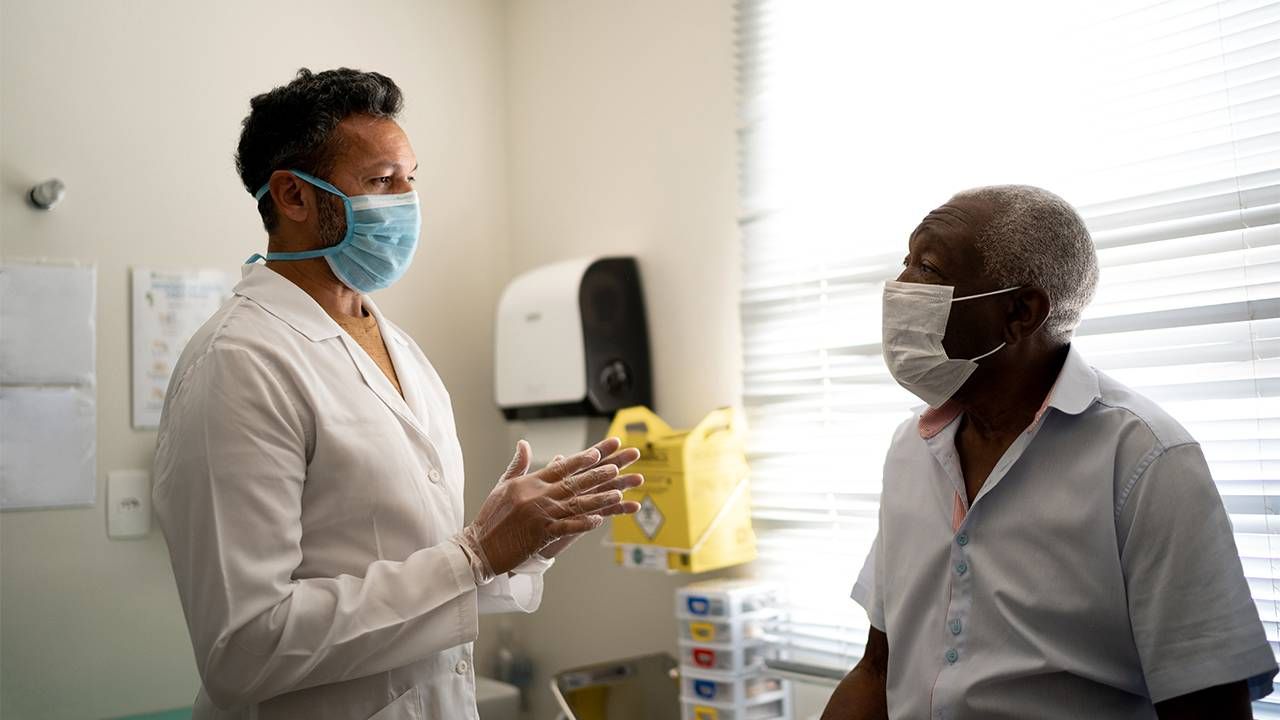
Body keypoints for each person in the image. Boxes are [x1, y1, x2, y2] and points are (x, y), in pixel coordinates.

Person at [152, 68, 644, 720]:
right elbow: (244, 649)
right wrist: (471, 555)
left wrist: (509, 548)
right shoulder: (238, 364)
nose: (407, 200)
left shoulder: (403, 352)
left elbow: (429, 588)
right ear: (294, 197)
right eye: (382, 182)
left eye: (412, 178)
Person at [822, 185, 1277, 719]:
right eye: (906, 261)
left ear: (1020, 312)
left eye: (927, 267)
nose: (899, 287)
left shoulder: (1143, 459)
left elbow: (1207, 706)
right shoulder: (911, 449)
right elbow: (878, 670)